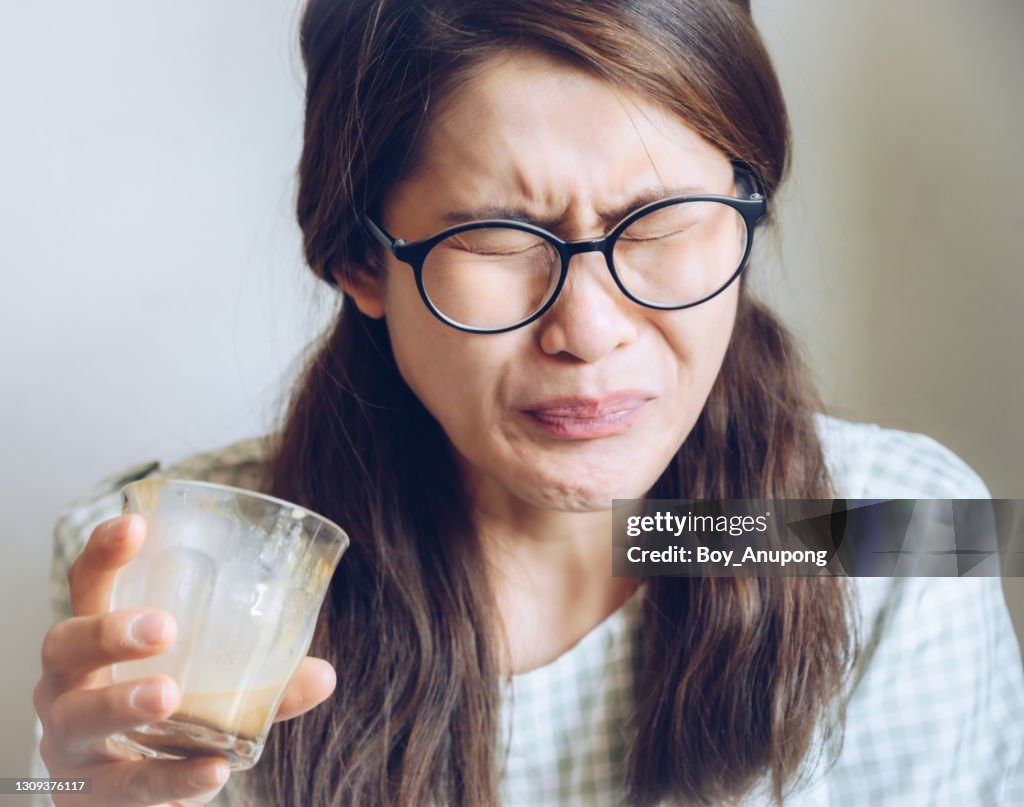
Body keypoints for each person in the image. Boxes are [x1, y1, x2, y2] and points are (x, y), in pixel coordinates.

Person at [31, 0, 1024, 805]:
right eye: (499, 239)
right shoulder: (184, 562)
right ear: (360, 261)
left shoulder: (897, 529)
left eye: (662, 222)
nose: (587, 329)